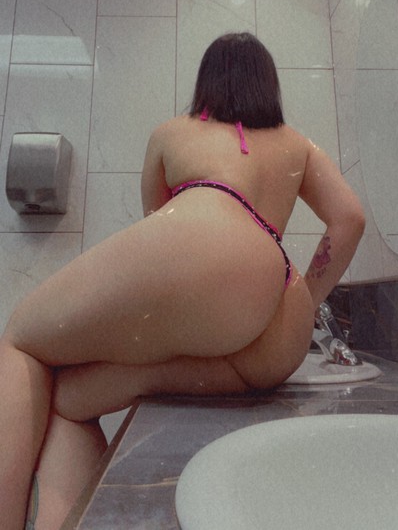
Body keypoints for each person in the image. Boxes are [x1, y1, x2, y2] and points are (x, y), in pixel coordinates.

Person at [0, 32, 365, 529]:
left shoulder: (173, 133)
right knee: (69, 400)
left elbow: (160, 232)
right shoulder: (297, 144)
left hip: (208, 258)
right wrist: (305, 299)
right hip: (277, 330)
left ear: (207, 81)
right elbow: (349, 219)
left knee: (21, 341)